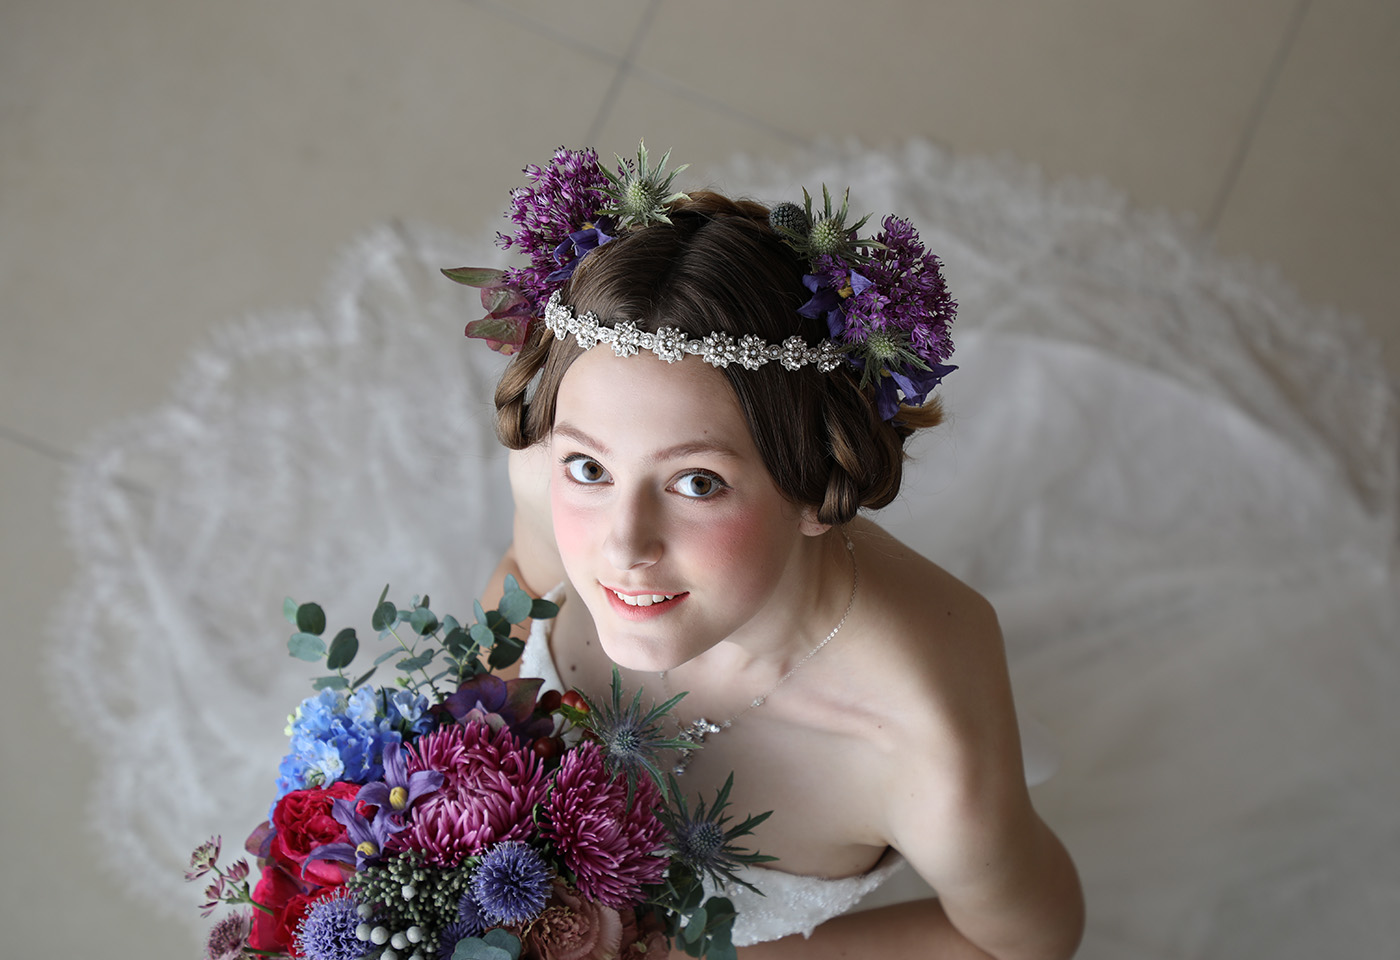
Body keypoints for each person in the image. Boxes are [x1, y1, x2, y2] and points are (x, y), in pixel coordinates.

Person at [464, 147, 1085, 959]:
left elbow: (1025, 941)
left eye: (696, 482)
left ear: (818, 488)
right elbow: (519, 589)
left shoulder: (919, 745)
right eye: (590, 469)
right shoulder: (546, 474)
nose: (622, 545)